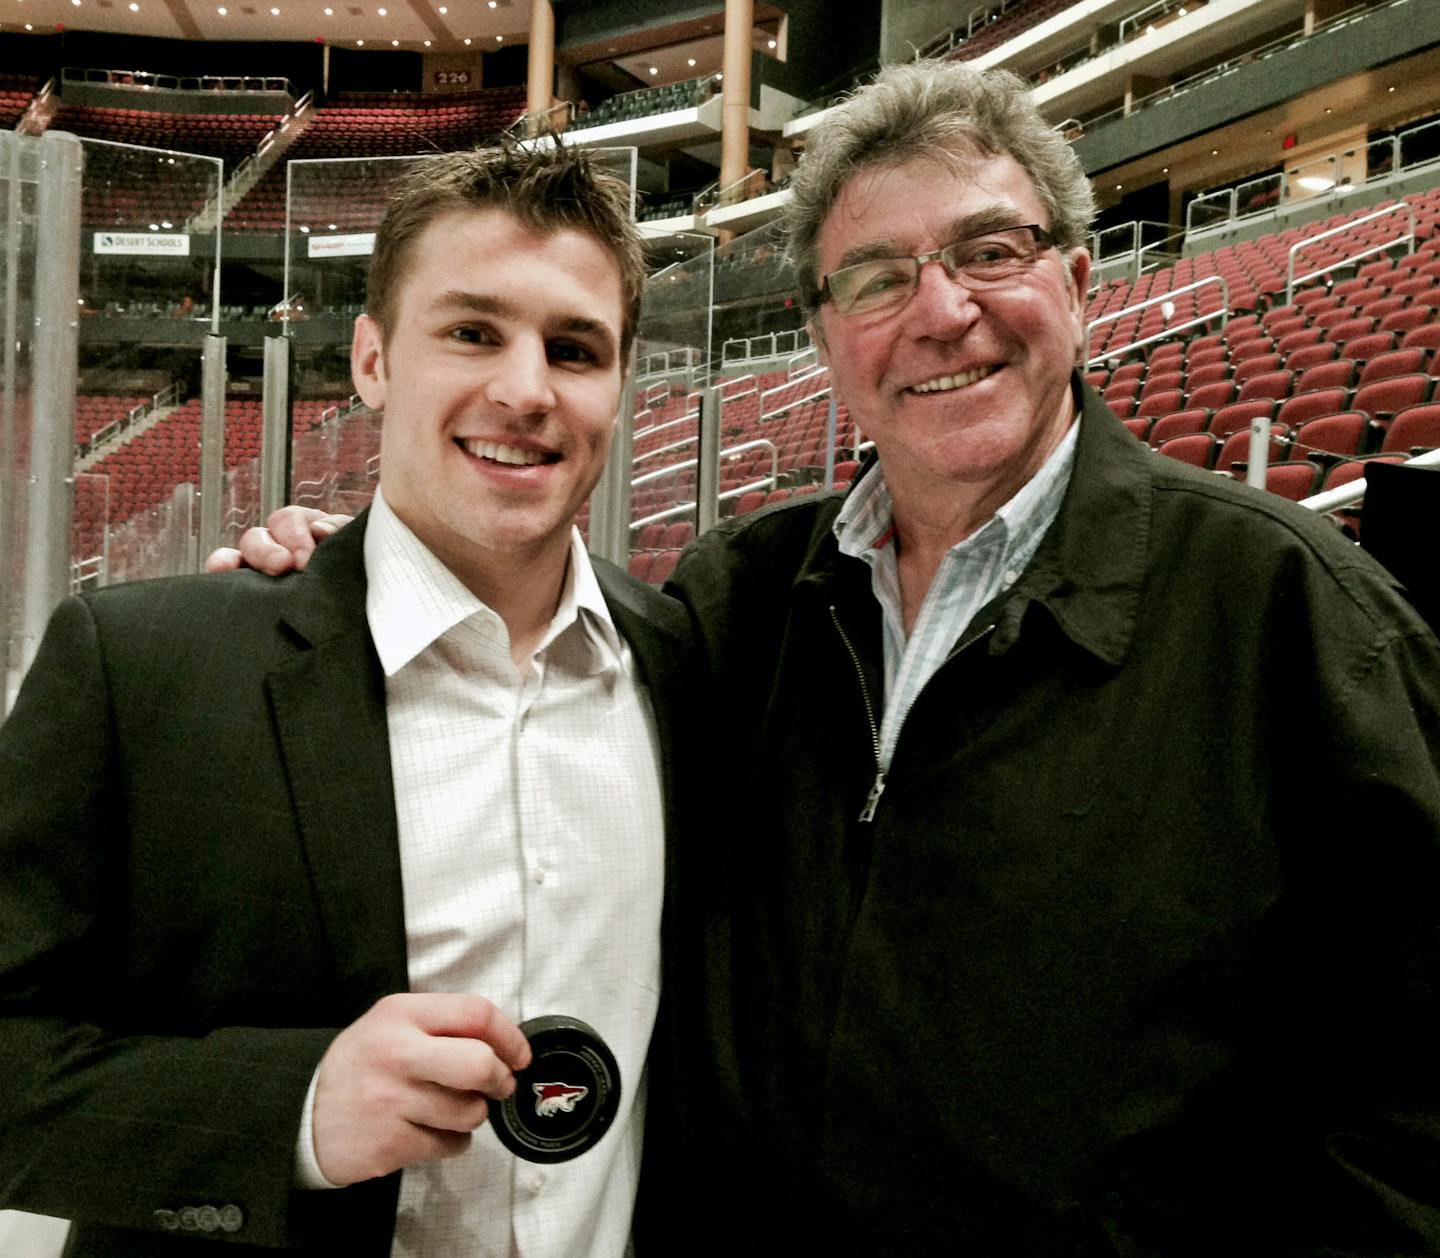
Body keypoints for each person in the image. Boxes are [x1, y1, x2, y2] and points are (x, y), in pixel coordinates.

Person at [223, 63, 1440, 1254]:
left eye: (990, 252)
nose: (940, 312)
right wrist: (369, 569)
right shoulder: (735, 603)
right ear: (823, 334)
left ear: (1076, 281)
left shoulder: (1298, 612)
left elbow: (1406, 1119)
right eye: (875, 276)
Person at [0, 143, 689, 1257]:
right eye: (471, 331)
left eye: (574, 348)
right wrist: (292, 1113)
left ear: (618, 383)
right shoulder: (144, 667)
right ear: (370, 358)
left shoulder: (688, 666)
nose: (524, 389)